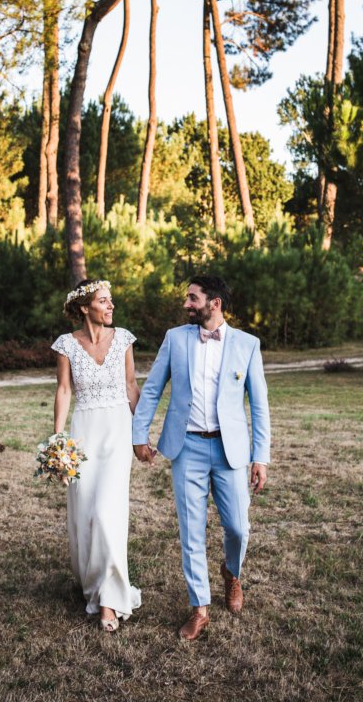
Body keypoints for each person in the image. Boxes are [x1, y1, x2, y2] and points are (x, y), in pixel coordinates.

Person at [132, 274, 270, 641]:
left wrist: (261, 456)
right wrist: (138, 433)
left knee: (239, 527)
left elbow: (259, 404)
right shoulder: (175, 339)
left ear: (215, 303)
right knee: (191, 531)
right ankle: (200, 608)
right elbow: (151, 390)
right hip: (187, 447)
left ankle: (231, 572)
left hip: (231, 451)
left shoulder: (248, 344)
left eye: (192, 298)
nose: (186, 304)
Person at [52, 279, 142, 632]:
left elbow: (132, 386)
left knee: (108, 513)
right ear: (85, 307)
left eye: (111, 301)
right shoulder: (66, 346)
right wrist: (59, 442)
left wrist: (141, 433)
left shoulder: (123, 339)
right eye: (104, 301)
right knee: (87, 513)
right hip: (85, 433)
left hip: (118, 430)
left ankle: (110, 600)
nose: (111, 306)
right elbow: (63, 391)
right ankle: (92, 582)